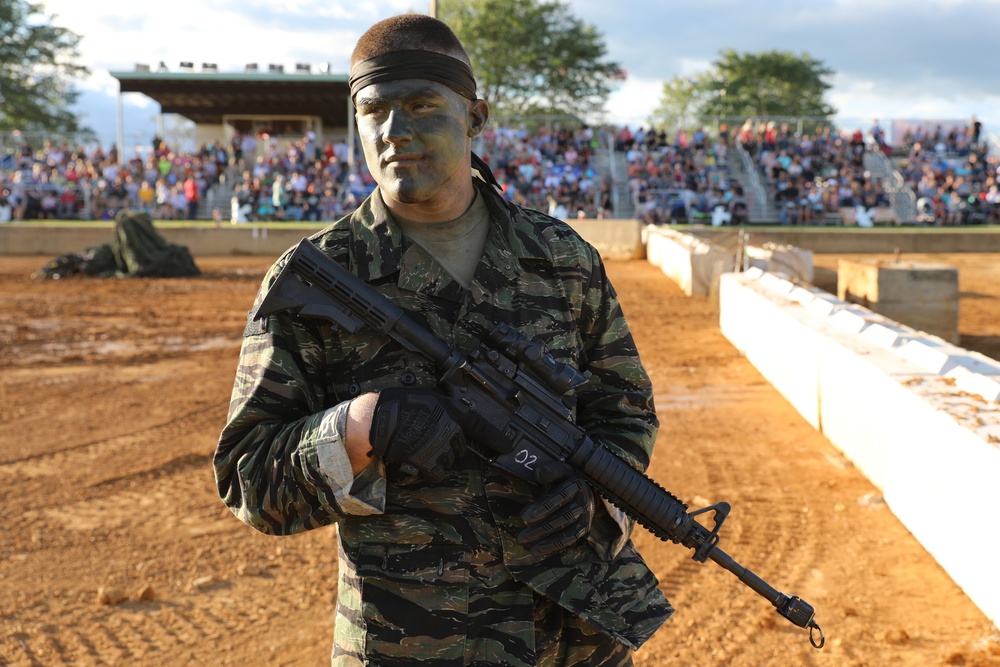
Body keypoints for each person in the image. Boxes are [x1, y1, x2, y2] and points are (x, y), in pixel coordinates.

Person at [214, 14, 671, 667]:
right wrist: (358, 427)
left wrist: (597, 494)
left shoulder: (563, 259)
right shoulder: (318, 277)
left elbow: (624, 413)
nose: (395, 131)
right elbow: (247, 476)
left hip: (575, 639)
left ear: (475, 116)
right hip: (415, 643)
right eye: (374, 110)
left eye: (422, 106)